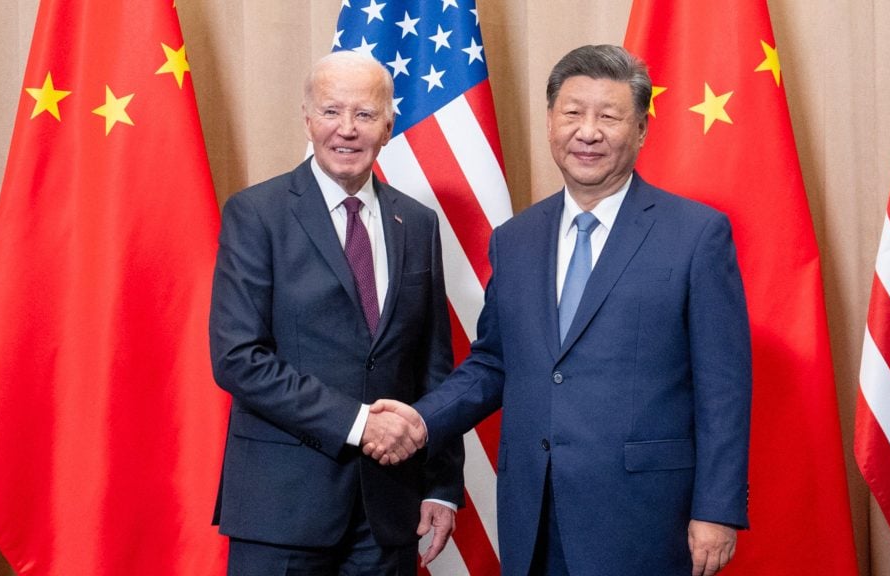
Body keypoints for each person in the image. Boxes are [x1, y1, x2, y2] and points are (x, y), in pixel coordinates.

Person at [366, 44, 752, 576]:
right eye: (572, 113)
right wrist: (420, 419)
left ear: (640, 130)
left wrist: (717, 509)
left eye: (608, 116)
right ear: (550, 123)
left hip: (644, 516)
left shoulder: (697, 234)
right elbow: (494, 363)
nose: (587, 132)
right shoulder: (516, 239)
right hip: (534, 510)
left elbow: (723, 386)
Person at [209, 50, 464, 575]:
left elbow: (432, 366)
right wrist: (358, 424)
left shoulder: (416, 223)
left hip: (388, 513)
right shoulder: (256, 214)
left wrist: (442, 485)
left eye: (365, 115)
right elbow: (238, 358)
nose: (346, 129)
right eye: (331, 112)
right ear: (307, 119)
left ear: (389, 126)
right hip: (282, 510)